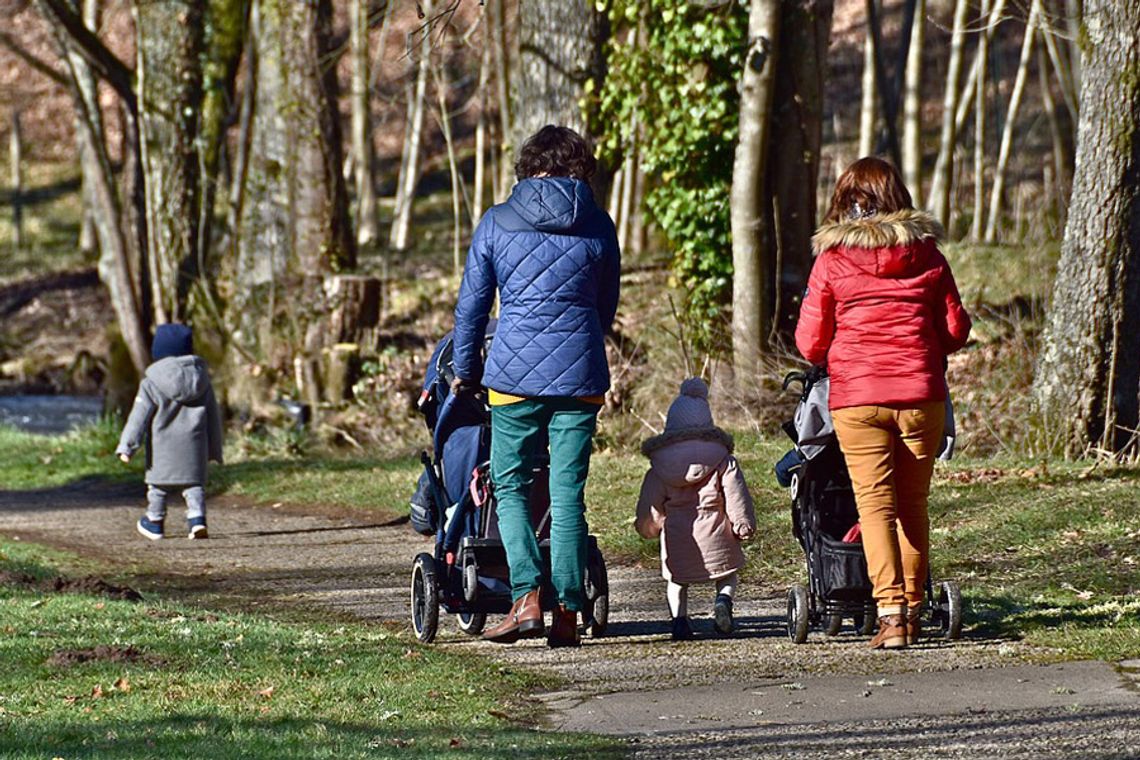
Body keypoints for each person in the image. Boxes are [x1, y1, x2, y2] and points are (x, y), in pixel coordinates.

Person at [450, 125, 620, 648]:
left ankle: (525, 598)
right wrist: (584, 342)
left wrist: (464, 369)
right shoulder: (597, 223)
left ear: (527, 167)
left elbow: (473, 306)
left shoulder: (498, 221)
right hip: (580, 375)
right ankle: (567, 609)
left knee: (511, 487)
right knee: (567, 494)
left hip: (514, 378)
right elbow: (606, 304)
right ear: (578, 167)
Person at [795, 157, 971, 649]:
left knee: (874, 507)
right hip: (920, 396)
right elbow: (956, 330)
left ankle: (891, 616)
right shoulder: (929, 255)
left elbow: (810, 343)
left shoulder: (832, 260)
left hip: (858, 400)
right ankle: (915, 611)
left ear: (845, 200)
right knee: (913, 507)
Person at [635, 378, 757, 641]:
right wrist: (742, 525)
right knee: (727, 575)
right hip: (717, 531)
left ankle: (679, 621)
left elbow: (651, 505)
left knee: (677, 581)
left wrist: (649, 526)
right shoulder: (723, 460)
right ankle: (723, 601)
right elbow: (736, 495)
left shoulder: (659, 467)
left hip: (680, 535)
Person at [116, 323, 224, 541]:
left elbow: (138, 417)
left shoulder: (151, 383)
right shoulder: (203, 380)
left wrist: (127, 446)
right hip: (194, 449)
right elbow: (213, 418)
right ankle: (197, 520)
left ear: (159, 351)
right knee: (194, 486)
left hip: (162, 451)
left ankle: (154, 522)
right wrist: (215, 451)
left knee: (157, 488)